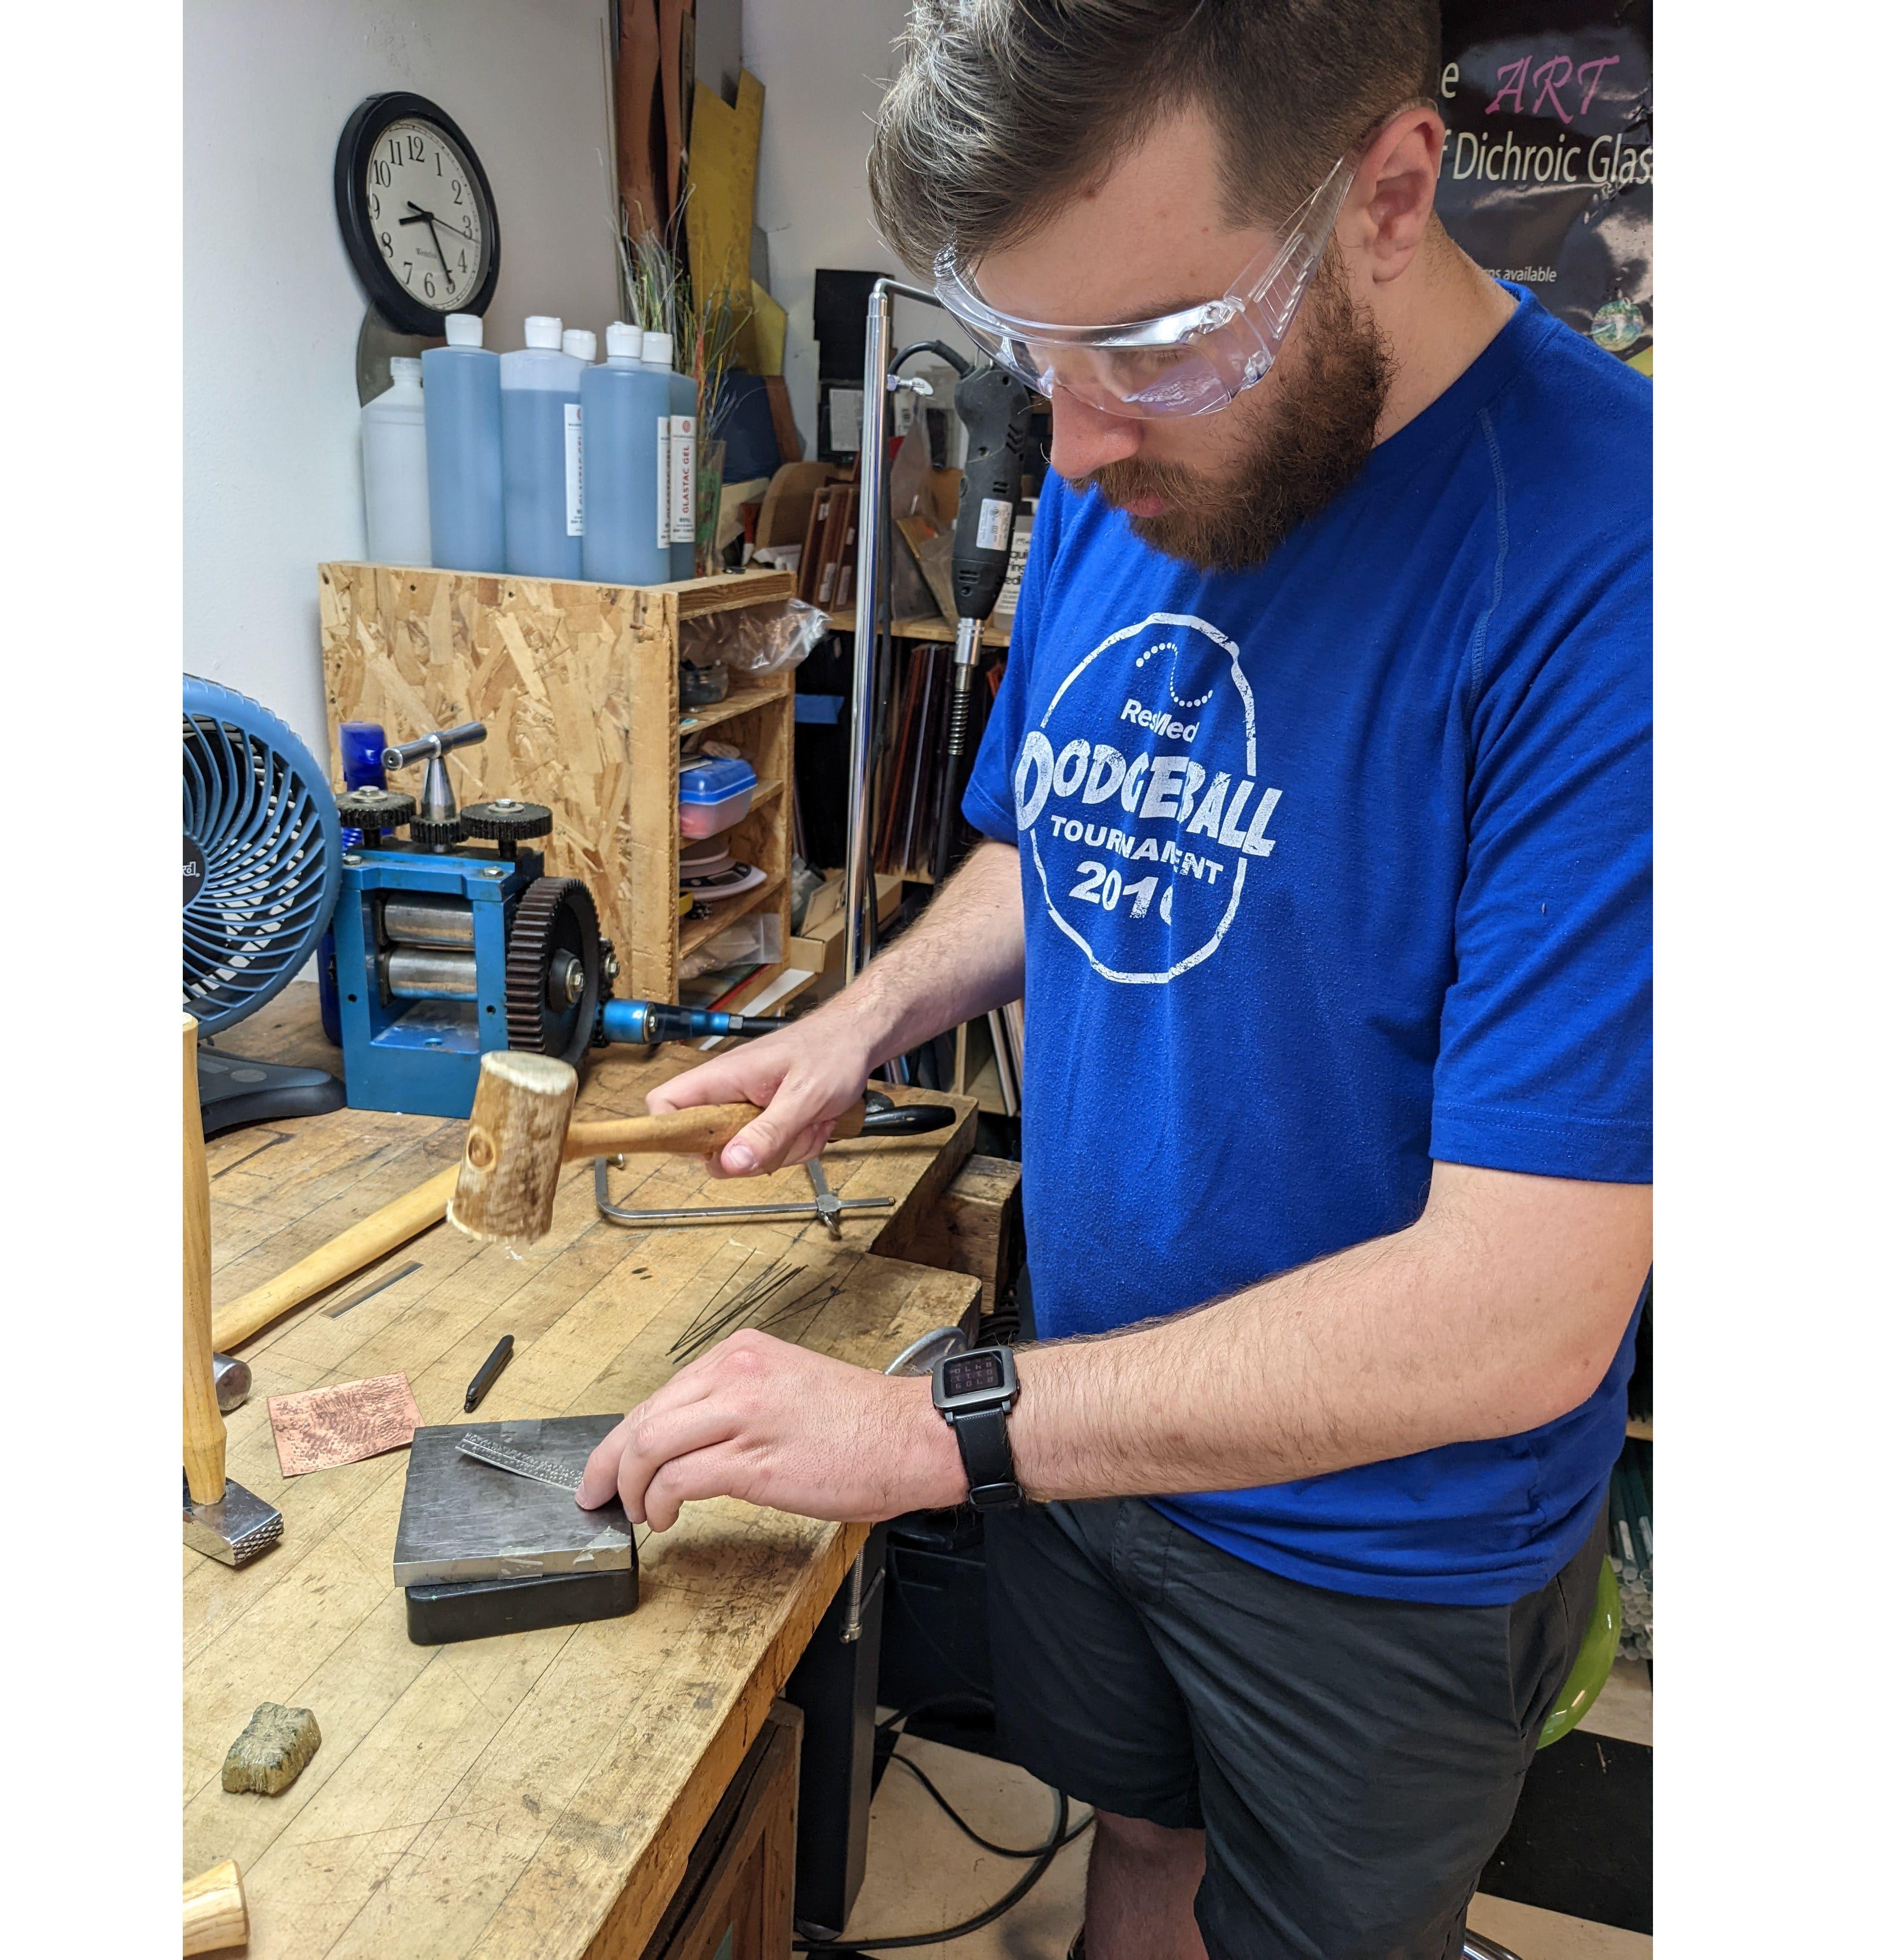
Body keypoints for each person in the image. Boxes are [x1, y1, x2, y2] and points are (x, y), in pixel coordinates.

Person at [578, 4, 1652, 1955]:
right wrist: (867, 1010)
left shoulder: (1630, 568)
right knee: (1132, 1854)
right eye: (1031, 357)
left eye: (1150, 348)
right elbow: (1062, 822)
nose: (1074, 447)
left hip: (1373, 1546)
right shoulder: (1120, 450)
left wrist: (943, 1432)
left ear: (1393, 195)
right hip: (1082, 1420)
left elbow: (1523, 1312)